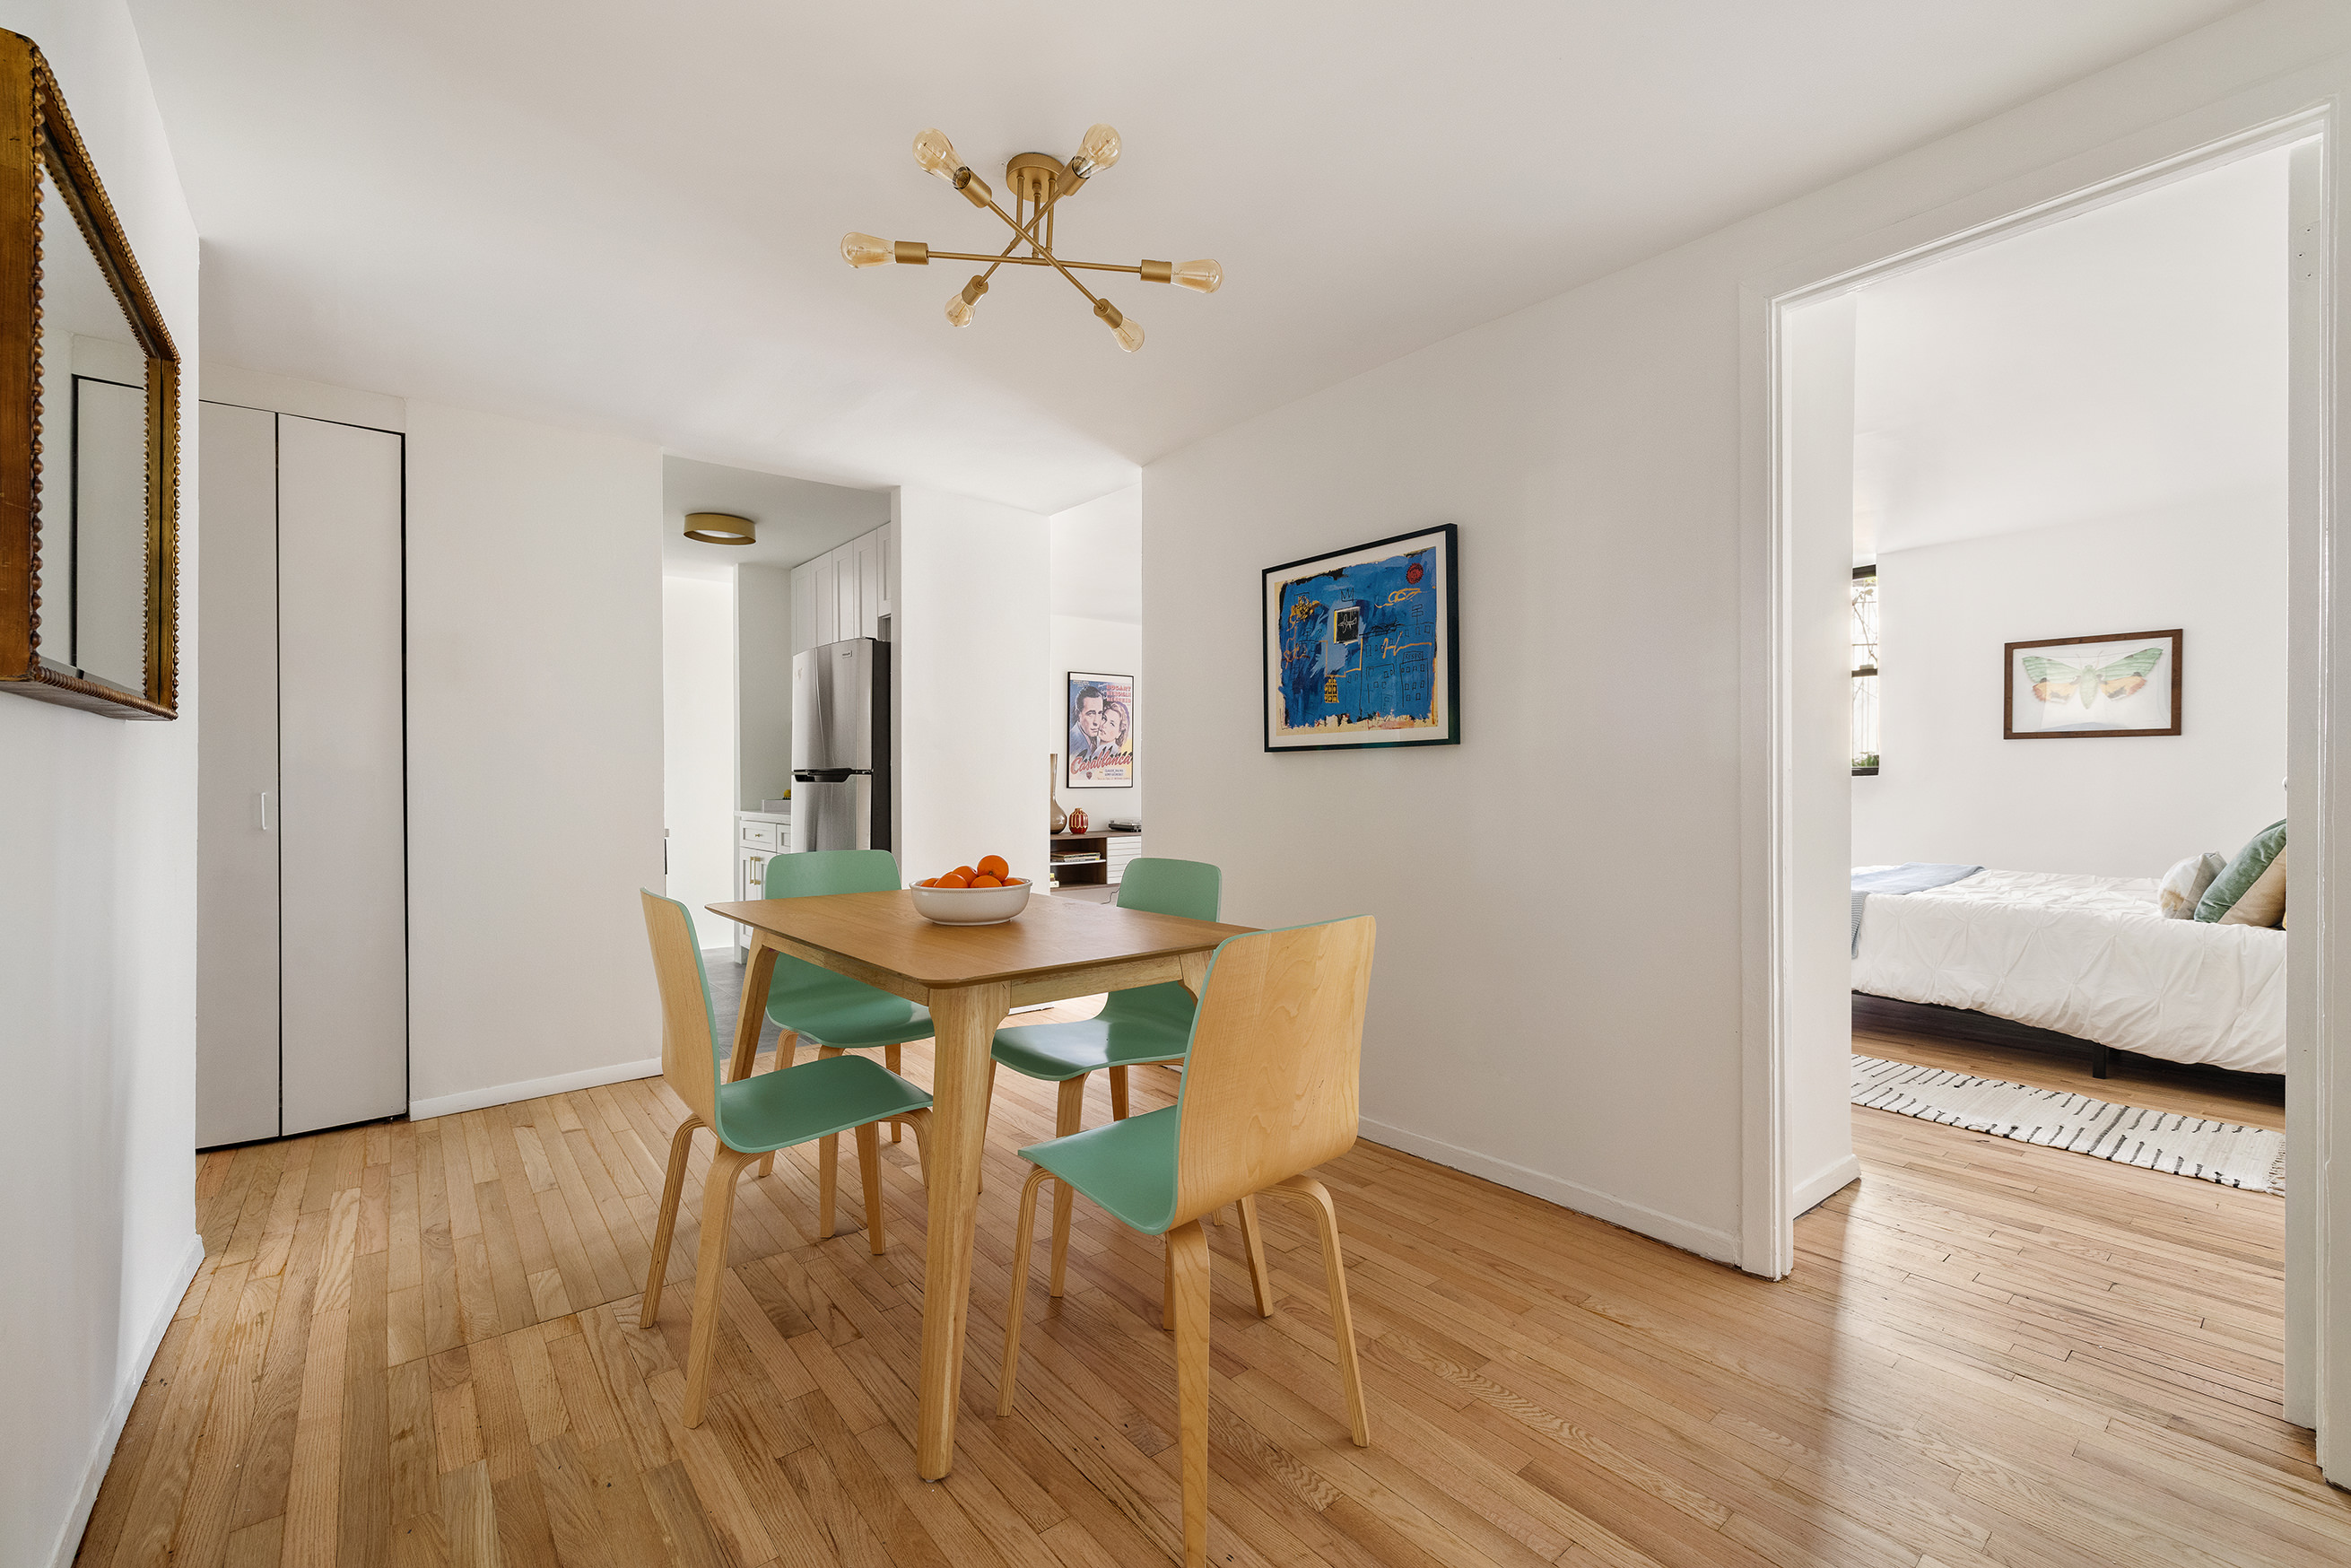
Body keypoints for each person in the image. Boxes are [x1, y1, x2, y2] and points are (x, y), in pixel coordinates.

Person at [1069, 684, 1106, 762]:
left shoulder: (1101, 738)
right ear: (1078, 714)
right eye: (1090, 714)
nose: (1096, 722)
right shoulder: (1072, 743)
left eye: (1100, 713)